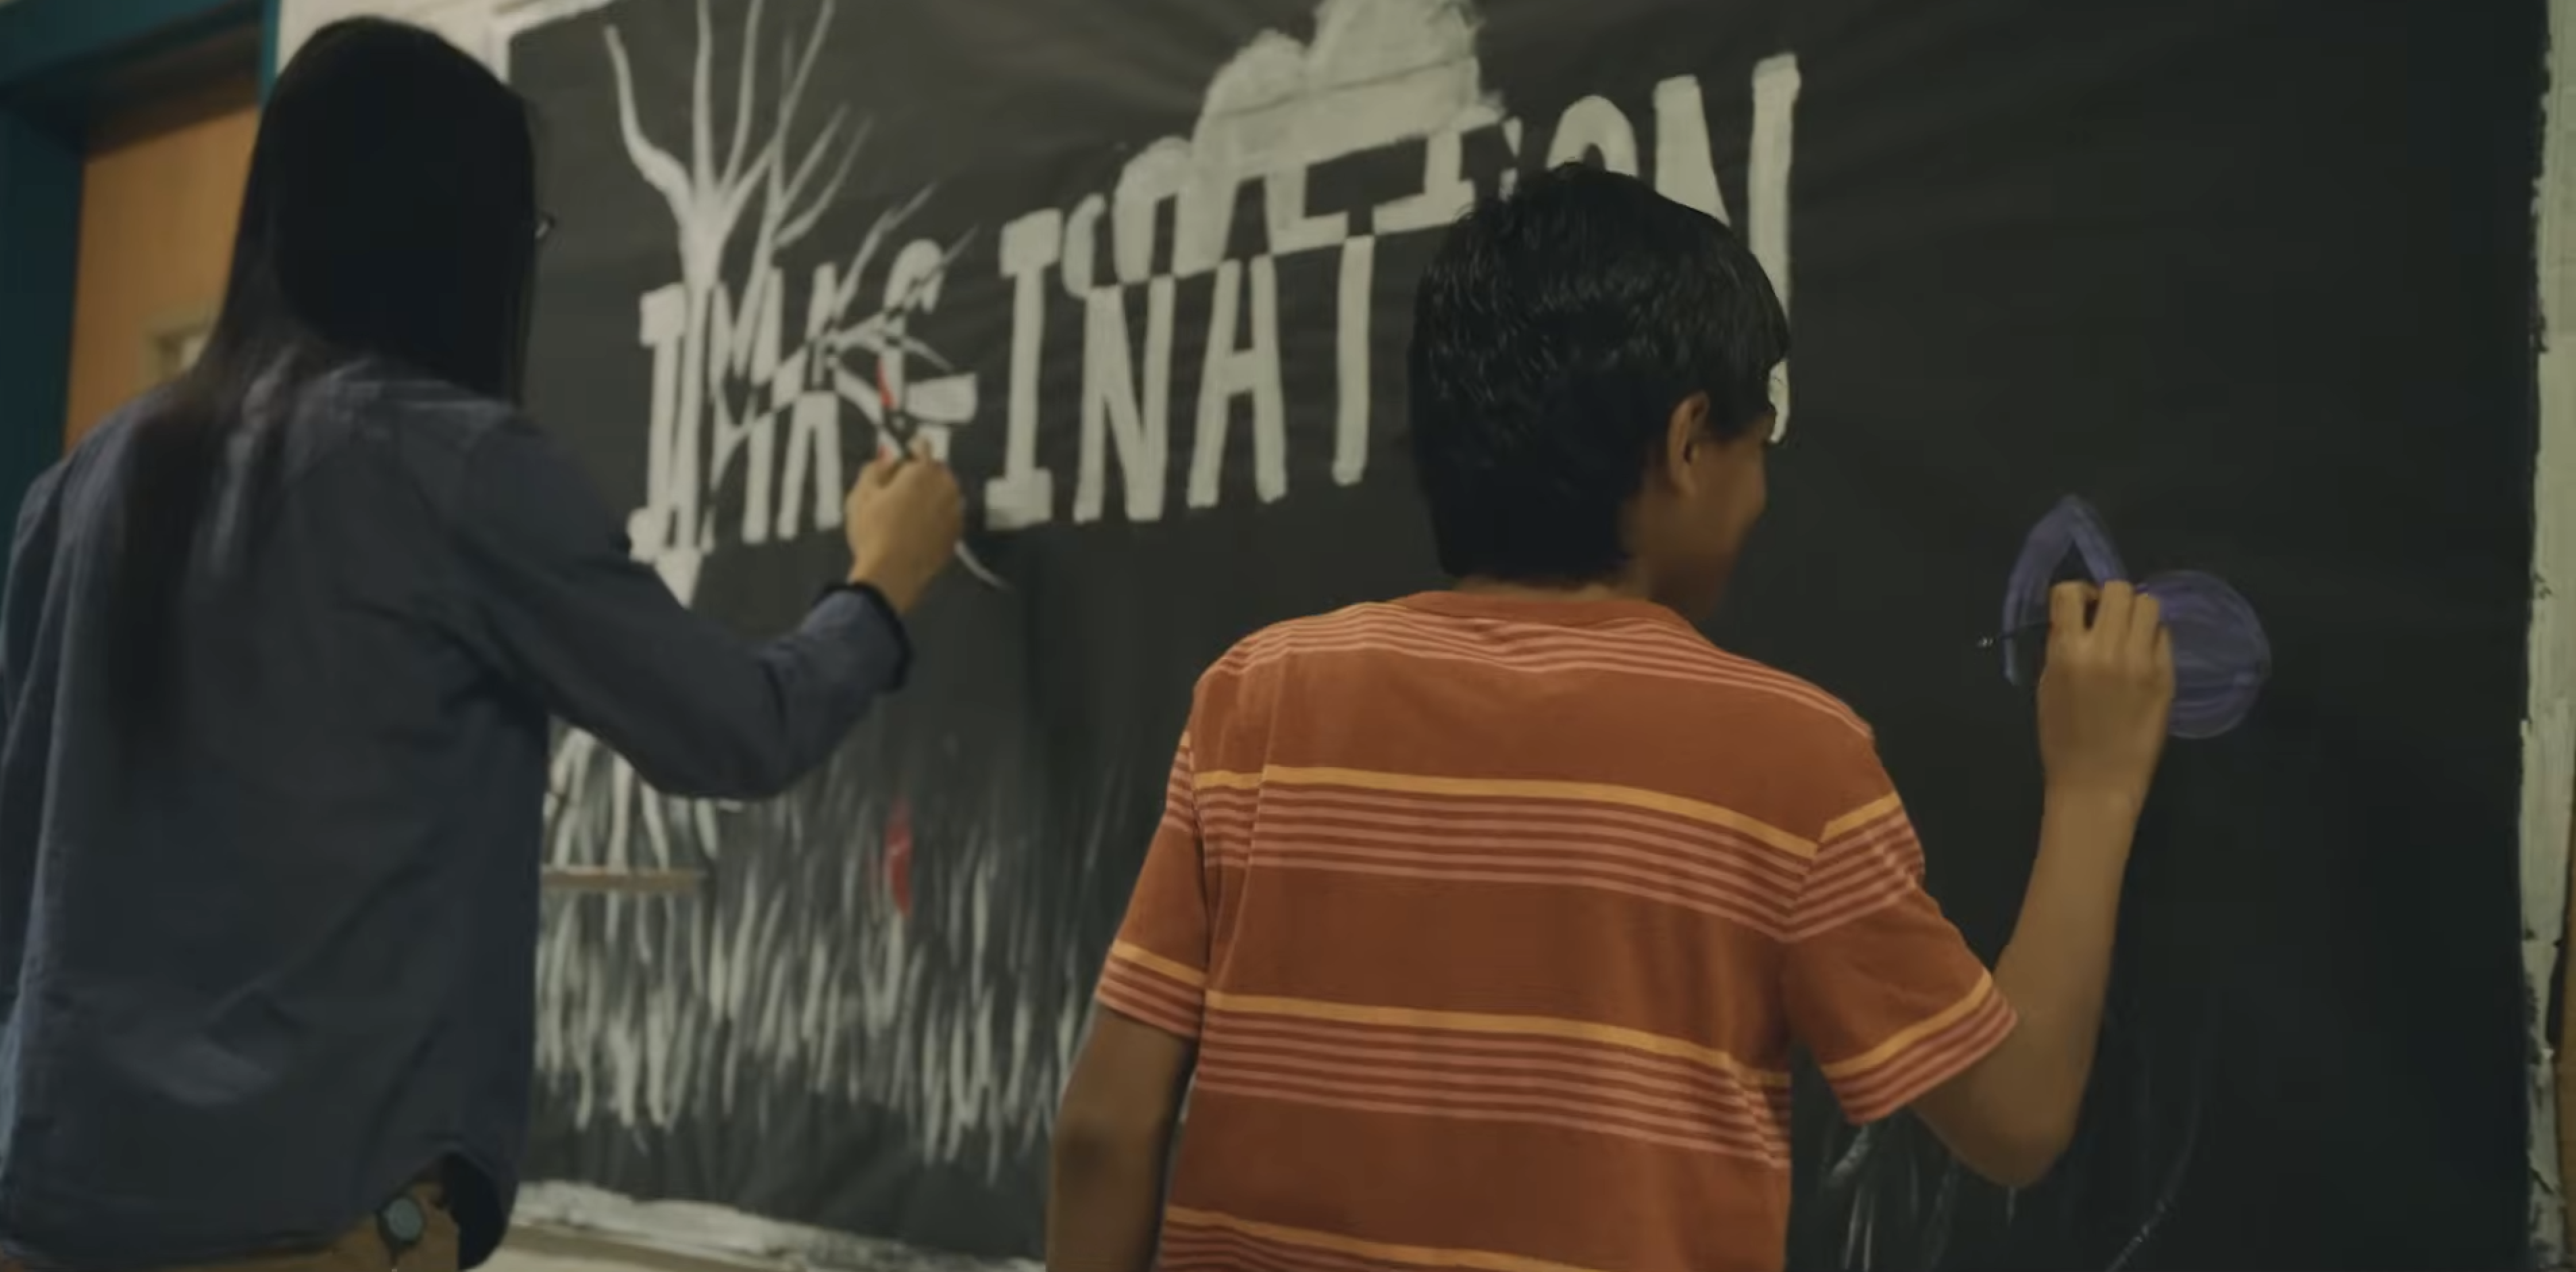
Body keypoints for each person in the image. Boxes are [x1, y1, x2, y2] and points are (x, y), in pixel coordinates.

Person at [1047, 164, 2175, 1272]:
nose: (1764, 495)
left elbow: (1105, 1128)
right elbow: (2014, 1119)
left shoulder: (1258, 695)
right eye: (1756, 449)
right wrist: (2095, 786)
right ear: (1689, 446)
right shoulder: (1786, 757)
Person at [0, 20, 962, 1272]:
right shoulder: (450, 469)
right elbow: (736, 726)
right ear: (467, 243)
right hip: (331, 1225)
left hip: (49, 1203)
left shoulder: (83, 483)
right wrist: (879, 589)